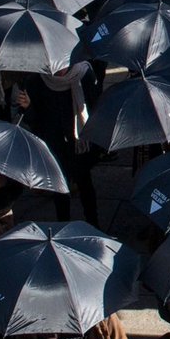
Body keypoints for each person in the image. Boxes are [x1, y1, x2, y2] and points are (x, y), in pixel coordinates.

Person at [17, 61, 101, 227]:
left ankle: (94, 224)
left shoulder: (84, 75)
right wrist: (28, 107)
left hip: (79, 143)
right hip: (54, 144)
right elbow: (35, 122)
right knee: (59, 188)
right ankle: (62, 226)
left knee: (85, 185)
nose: (59, 71)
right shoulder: (36, 81)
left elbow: (96, 107)